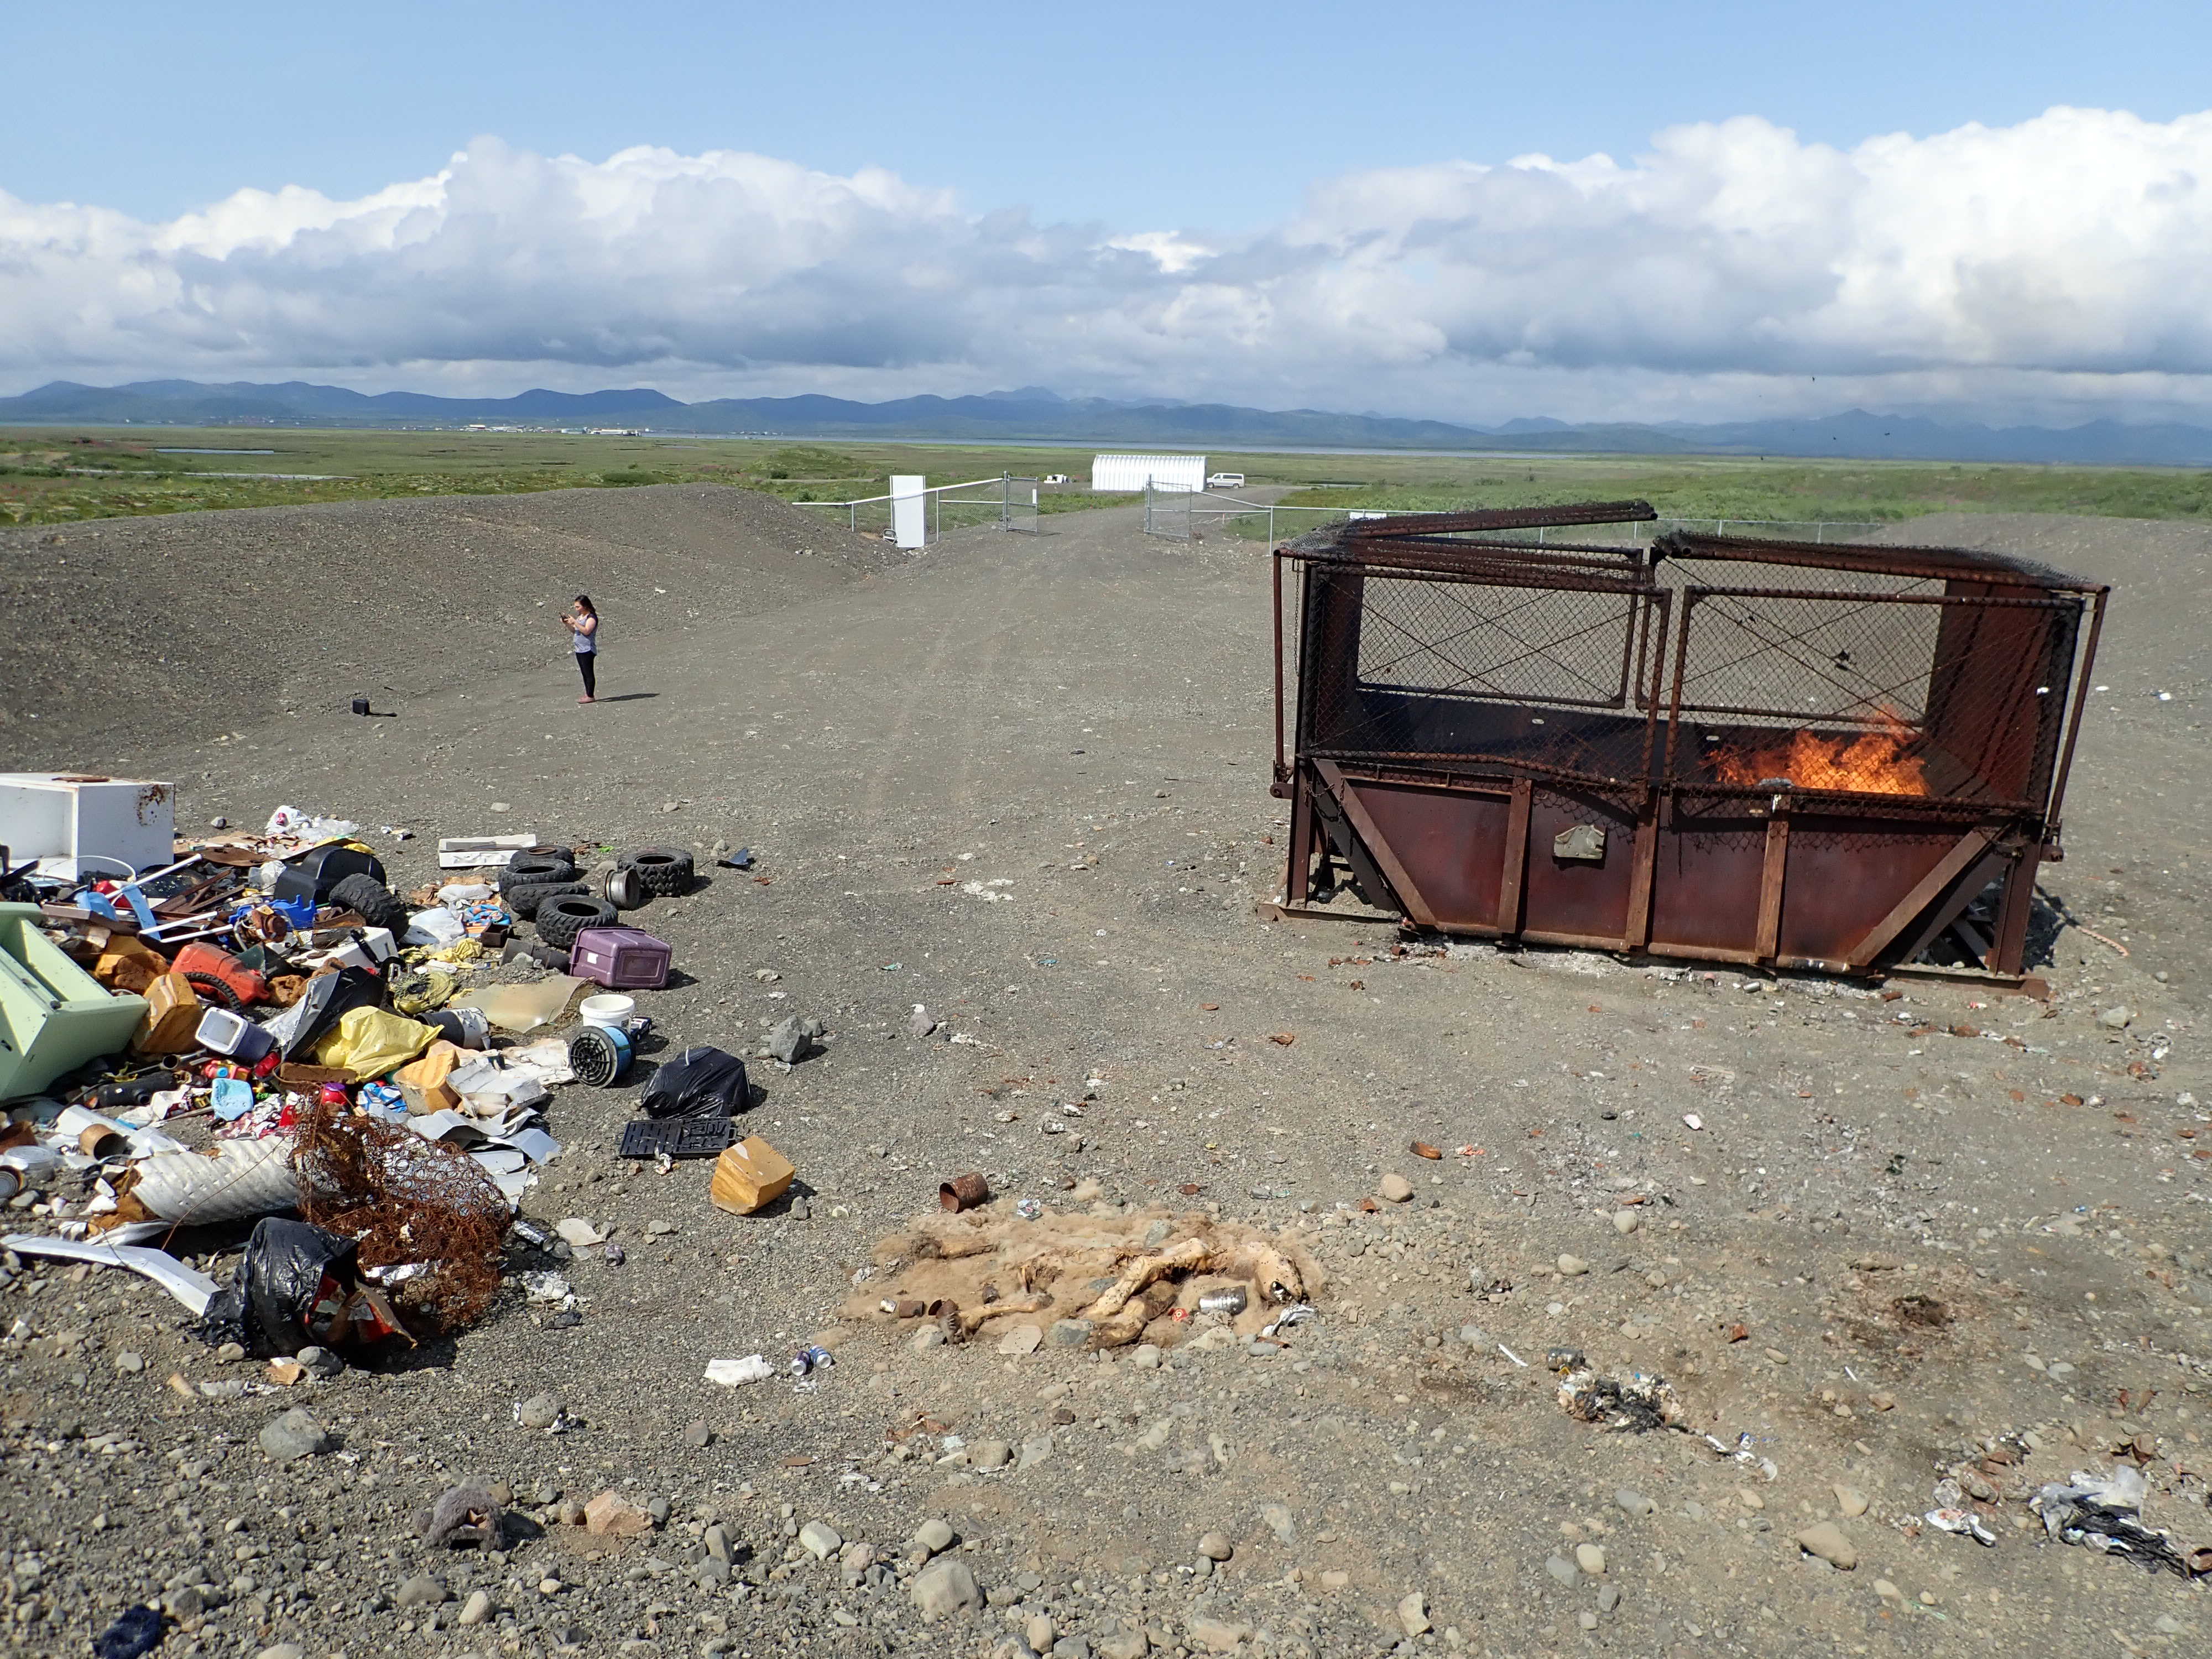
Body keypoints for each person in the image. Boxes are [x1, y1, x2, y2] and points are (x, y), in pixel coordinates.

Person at [564, 595, 600, 702]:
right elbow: (576, 631)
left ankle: (590, 695)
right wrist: (567, 624)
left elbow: (587, 631)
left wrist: (575, 622)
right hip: (579, 649)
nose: (576, 609)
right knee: (584, 672)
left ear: (585, 606)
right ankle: (587, 693)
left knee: (589, 673)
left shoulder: (591, 618)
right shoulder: (581, 617)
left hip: (587, 649)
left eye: (578, 607)